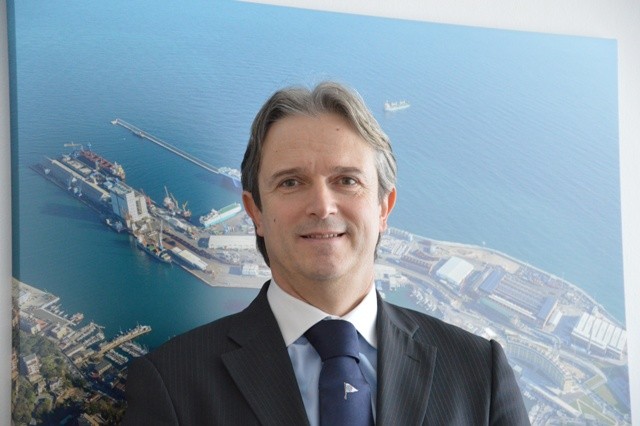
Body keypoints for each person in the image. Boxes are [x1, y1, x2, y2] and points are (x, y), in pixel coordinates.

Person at [122, 82, 530, 425]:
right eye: (291, 182)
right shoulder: (171, 384)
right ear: (255, 212)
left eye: (347, 180)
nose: (322, 206)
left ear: (384, 208)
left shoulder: (480, 372)